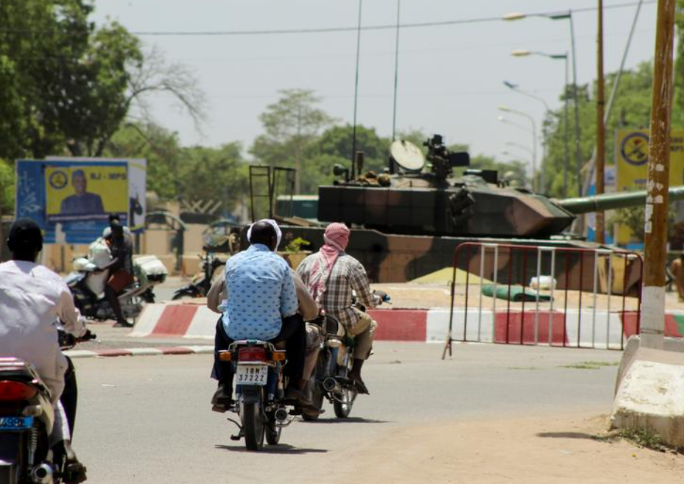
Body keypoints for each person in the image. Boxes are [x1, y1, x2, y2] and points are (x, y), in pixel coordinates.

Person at [0, 219, 87, 481]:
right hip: (37, 367)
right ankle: (63, 448)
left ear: (8, 245)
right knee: (55, 394)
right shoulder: (53, 281)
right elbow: (74, 324)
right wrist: (82, 332)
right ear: (40, 247)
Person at [208, 219, 312, 410]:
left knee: (220, 325)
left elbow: (223, 300)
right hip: (270, 333)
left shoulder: (233, 262)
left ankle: (223, 387)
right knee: (298, 323)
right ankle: (294, 387)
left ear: (250, 239)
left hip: (235, 332)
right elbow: (289, 309)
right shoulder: (280, 264)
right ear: (273, 240)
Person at [297, 222, 377, 394]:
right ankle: (355, 372)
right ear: (345, 240)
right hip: (341, 319)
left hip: (310, 317)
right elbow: (366, 299)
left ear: (325, 237)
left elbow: (295, 290)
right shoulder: (351, 264)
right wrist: (376, 300)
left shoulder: (307, 262)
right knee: (370, 323)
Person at [97, 220, 134, 327]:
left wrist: (103, 267)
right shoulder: (115, 238)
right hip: (117, 270)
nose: (117, 232)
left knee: (109, 290)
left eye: (119, 230)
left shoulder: (123, 240)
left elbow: (118, 259)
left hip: (125, 272)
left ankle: (121, 319)